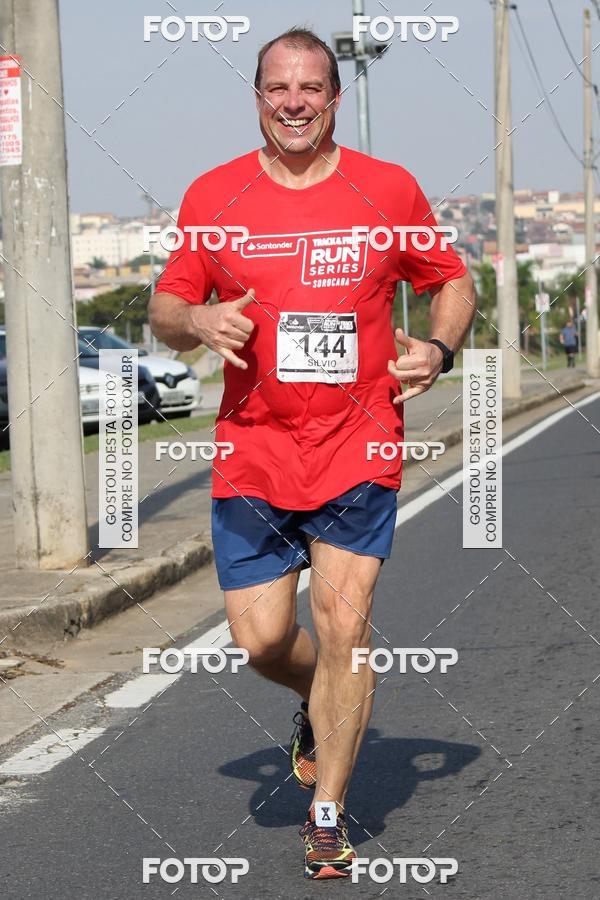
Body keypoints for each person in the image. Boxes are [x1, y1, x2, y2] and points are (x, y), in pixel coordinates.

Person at [149, 27, 475, 880]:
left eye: (310, 89)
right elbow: (166, 304)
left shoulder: (388, 188)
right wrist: (198, 321)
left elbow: (452, 279)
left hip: (357, 444)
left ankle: (326, 813)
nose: (293, 103)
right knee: (262, 642)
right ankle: (317, 697)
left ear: (334, 97)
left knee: (345, 624)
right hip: (255, 450)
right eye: (276, 89)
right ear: (257, 97)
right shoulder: (214, 196)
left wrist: (437, 352)